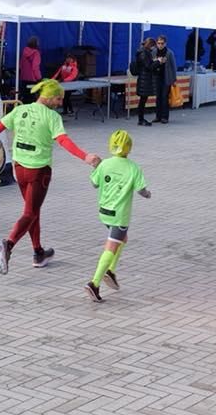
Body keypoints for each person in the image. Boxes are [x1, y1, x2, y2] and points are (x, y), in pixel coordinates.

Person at [0, 79, 101, 275]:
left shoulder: (19, 110)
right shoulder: (52, 117)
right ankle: (7, 245)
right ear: (48, 98)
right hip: (39, 170)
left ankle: (38, 253)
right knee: (30, 212)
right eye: (58, 99)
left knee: (32, 211)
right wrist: (86, 156)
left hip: (19, 168)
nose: (59, 103)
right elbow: (63, 140)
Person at [84, 129, 151, 303]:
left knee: (123, 239)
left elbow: (94, 183)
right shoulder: (133, 167)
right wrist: (148, 194)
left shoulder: (105, 164)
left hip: (104, 212)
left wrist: (97, 166)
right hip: (120, 216)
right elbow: (141, 190)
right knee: (111, 247)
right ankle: (95, 282)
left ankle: (111, 271)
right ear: (129, 148)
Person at [153, 35, 177, 124]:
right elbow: (151, 63)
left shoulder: (169, 53)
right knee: (158, 97)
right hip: (157, 77)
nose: (160, 45)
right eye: (158, 43)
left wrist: (174, 79)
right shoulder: (154, 51)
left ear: (165, 43)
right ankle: (157, 116)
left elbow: (174, 66)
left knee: (164, 97)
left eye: (162, 43)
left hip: (166, 78)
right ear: (156, 43)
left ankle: (165, 117)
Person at [134, 38, 157, 126]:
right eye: (153, 46)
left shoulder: (143, 52)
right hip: (144, 79)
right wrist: (158, 62)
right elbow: (148, 66)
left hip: (144, 78)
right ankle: (141, 119)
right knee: (143, 100)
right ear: (150, 45)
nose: (153, 48)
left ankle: (141, 119)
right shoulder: (144, 53)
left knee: (143, 100)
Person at [20, 36, 42, 104]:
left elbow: (21, 65)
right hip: (32, 79)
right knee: (32, 98)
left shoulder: (24, 52)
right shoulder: (36, 53)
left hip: (24, 78)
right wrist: (39, 78)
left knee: (25, 97)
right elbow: (35, 67)